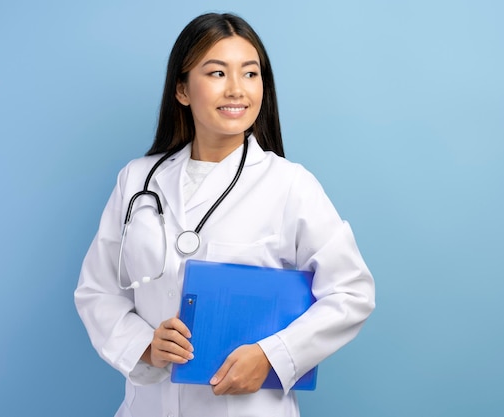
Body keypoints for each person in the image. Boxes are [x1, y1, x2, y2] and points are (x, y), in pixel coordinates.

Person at [75, 12, 375, 417]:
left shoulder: (289, 185)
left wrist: (273, 357)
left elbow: (351, 292)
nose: (237, 89)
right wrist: (144, 345)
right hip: (148, 406)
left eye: (250, 74)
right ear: (182, 89)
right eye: (217, 73)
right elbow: (98, 290)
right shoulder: (137, 179)